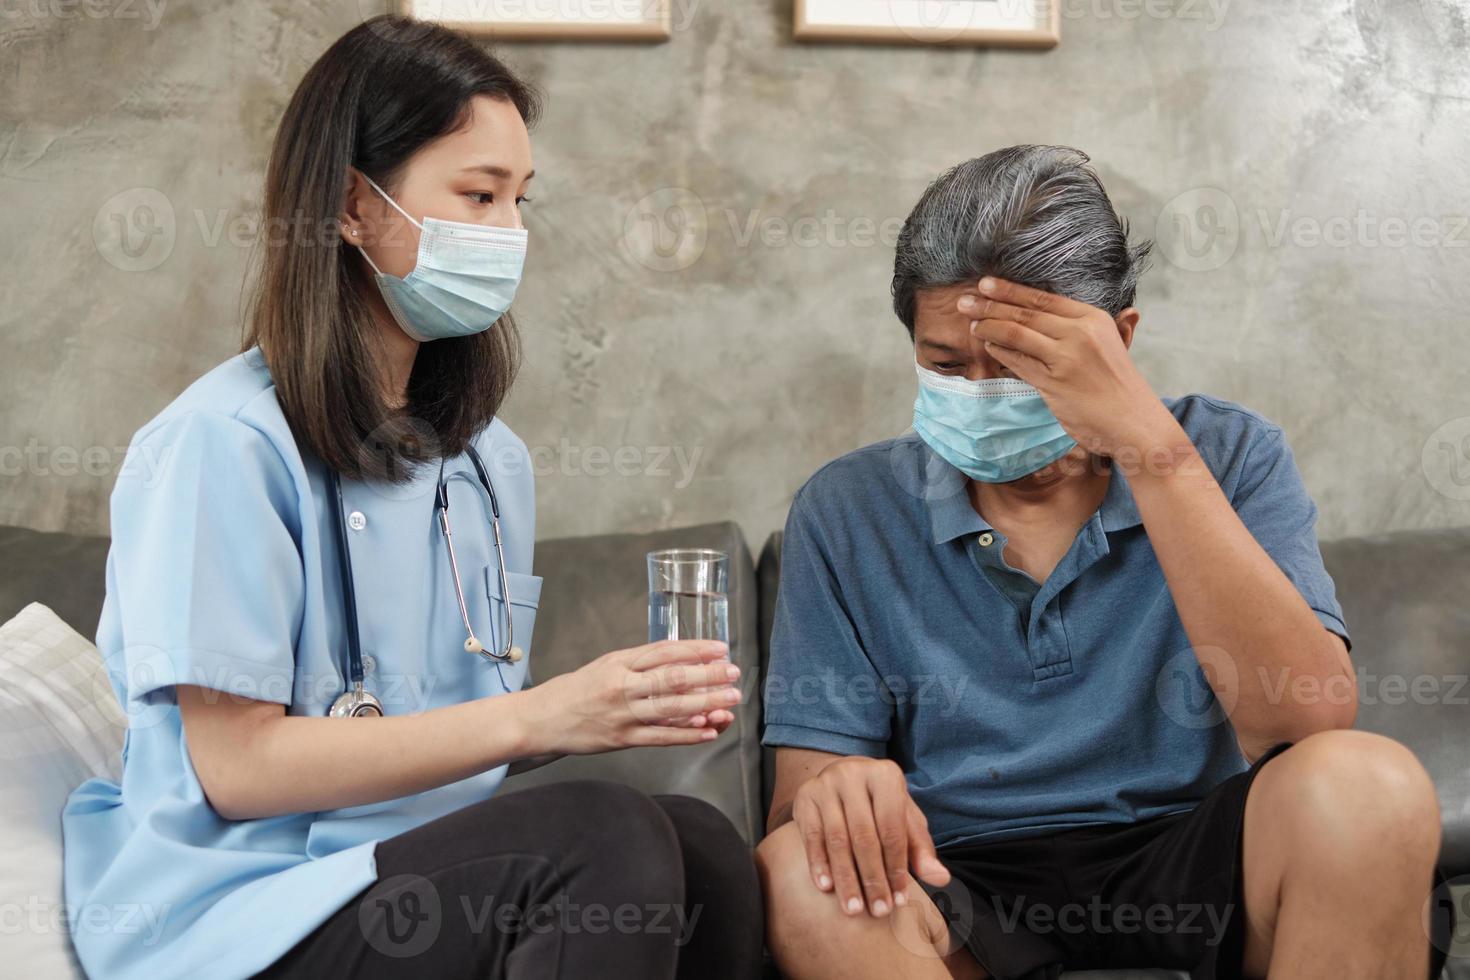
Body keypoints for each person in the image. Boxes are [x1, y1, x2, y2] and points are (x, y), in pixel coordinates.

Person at [61, 17, 761, 980]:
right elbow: (235, 770)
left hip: (403, 875)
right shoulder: (220, 445)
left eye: (521, 201)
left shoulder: (487, 463)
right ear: (352, 204)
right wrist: (543, 717)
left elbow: (444, 736)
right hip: (243, 912)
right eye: (478, 195)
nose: (509, 235)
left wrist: (604, 708)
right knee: (604, 829)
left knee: (704, 845)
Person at [756, 145, 1452, 979]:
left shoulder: (1230, 455)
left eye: (1021, 364)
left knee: (1368, 783)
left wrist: (1152, 451)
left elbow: (1303, 721)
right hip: (961, 874)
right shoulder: (848, 507)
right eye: (947, 365)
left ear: (1118, 339)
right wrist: (836, 789)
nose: (981, 395)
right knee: (802, 867)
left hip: (1196, 852)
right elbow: (801, 798)